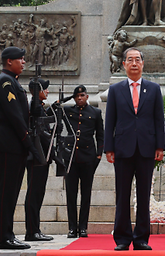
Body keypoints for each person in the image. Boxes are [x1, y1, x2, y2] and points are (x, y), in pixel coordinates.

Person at [104, 48, 164, 251]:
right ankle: (122, 238)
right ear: (124, 65)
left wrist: (160, 146)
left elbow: (158, 119)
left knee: (144, 195)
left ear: (143, 63)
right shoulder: (115, 90)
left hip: (147, 149)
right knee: (122, 194)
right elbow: (110, 120)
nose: (134, 63)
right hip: (122, 149)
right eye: (130, 60)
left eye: (137, 59)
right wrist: (108, 148)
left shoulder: (154, 89)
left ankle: (141, 238)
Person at [0, 47, 41, 251]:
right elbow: (14, 115)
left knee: (12, 192)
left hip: (14, 141)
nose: (24, 62)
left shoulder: (13, 81)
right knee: (6, 193)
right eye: (20, 59)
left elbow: (22, 113)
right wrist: (27, 140)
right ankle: (3, 237)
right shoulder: (5, 82)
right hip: (9, 140)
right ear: (9, 61)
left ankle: (7, 234)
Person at [63, 85, 104, 238]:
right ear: (74, 98)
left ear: (87, 97)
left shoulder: (95, 112)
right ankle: (72, 228)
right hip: (71, 158)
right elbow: (52, 113)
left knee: (86, 194)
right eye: (77, 96)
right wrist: (61, 100)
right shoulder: (68, 112)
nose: (80, 98)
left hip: (88, 158)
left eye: (82, 95)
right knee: (71, 194)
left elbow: (100, 135)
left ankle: (83, 227)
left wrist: (99, 155)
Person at [24, 77, 54, 242]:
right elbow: (38, 129)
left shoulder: (39, 107)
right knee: (34, 194)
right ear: (38, 91)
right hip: (37, 156)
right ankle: (32, 231)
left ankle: (35, 229)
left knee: (38, 193)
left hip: (42, 155)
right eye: (45, 89)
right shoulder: (34, 107)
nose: (47, 91)